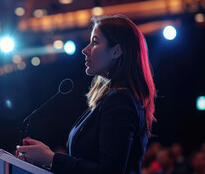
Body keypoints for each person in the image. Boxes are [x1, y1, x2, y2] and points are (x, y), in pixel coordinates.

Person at [16, 14, 156, 174]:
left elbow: (108, 171)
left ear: (116, 51)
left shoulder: (120, 100)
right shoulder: (113, 98)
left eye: (95, 42)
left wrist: (51, 158)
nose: (85, 49)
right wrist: (44, 161)